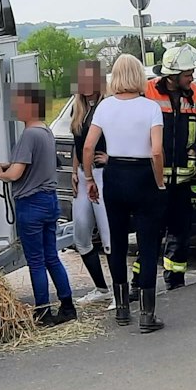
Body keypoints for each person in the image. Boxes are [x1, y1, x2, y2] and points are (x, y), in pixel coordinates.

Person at [81, 54, 167, 332]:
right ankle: (147, 313)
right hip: (143, 175)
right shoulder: (151, 107)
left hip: (115, 174)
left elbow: (87, 147)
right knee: (148, 244)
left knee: (116, 242)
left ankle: (121, 309)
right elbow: (156, 151)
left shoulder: (104, 108)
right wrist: (159, 182)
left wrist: (89, 178)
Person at [0, 84, 75, 325]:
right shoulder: (45, 132)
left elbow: (16, 174)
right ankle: (67, 306)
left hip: (31, 204)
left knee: (35, 261)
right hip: (49, 201)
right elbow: (29, 163)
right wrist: (10, 165)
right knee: (51, 257)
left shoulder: (28, 135)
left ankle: (44, 311)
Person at [145, 45, 196, 291]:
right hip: (153, 179)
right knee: (150, 233)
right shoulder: (147, 92)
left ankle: (175, 279)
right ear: (172, 76)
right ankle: (140, 283)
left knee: (180, 233)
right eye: (187, 74)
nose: (192, 78)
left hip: (183, 179)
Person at [64, 60, 113, 304]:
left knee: (108, 235)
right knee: (81, 234)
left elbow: (120, 137)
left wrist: (110, 158)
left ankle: (119, 292)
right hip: (84, 174)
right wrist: (75, 172)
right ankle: (102, 288)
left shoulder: (107, 106)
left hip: (102, 174)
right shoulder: (79, 109)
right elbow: (77, 144)